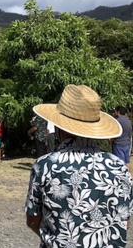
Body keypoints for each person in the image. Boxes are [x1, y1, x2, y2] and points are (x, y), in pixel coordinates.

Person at [25, 84, 133, 247]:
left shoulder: (45, 165)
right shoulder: (118, 166)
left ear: (59, 126)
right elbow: (125, 221)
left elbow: (33, 219)